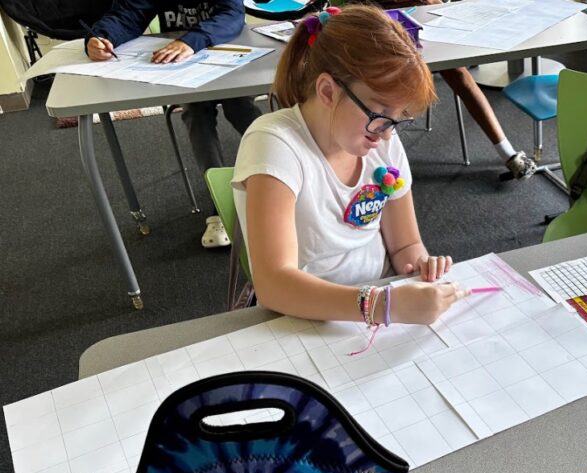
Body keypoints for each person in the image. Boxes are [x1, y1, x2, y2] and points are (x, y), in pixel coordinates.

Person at [231, 4, 463, 327]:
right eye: (379, 115)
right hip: (303, 315)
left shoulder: (380, 140)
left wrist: (421, 267)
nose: (385, 136)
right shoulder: (274, 144)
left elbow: (406, 244)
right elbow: (274, 284)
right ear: (327, 91)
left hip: (374, 307)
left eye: (396, 120)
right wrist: (382, 306)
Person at [85, 1, 263, 249]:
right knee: (196, 115)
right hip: (187, 70)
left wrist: (192, 40)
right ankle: (219, 208)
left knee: (240, 108)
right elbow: (129, 14)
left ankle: (289, 169)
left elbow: (232, 15)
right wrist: (102, 37)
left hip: (227, 55)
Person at [373, 0, 537, 180]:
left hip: (422, 21)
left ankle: (507, 152)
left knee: (458, 72)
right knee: (386, 76)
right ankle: (378, 157)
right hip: (379, 22)